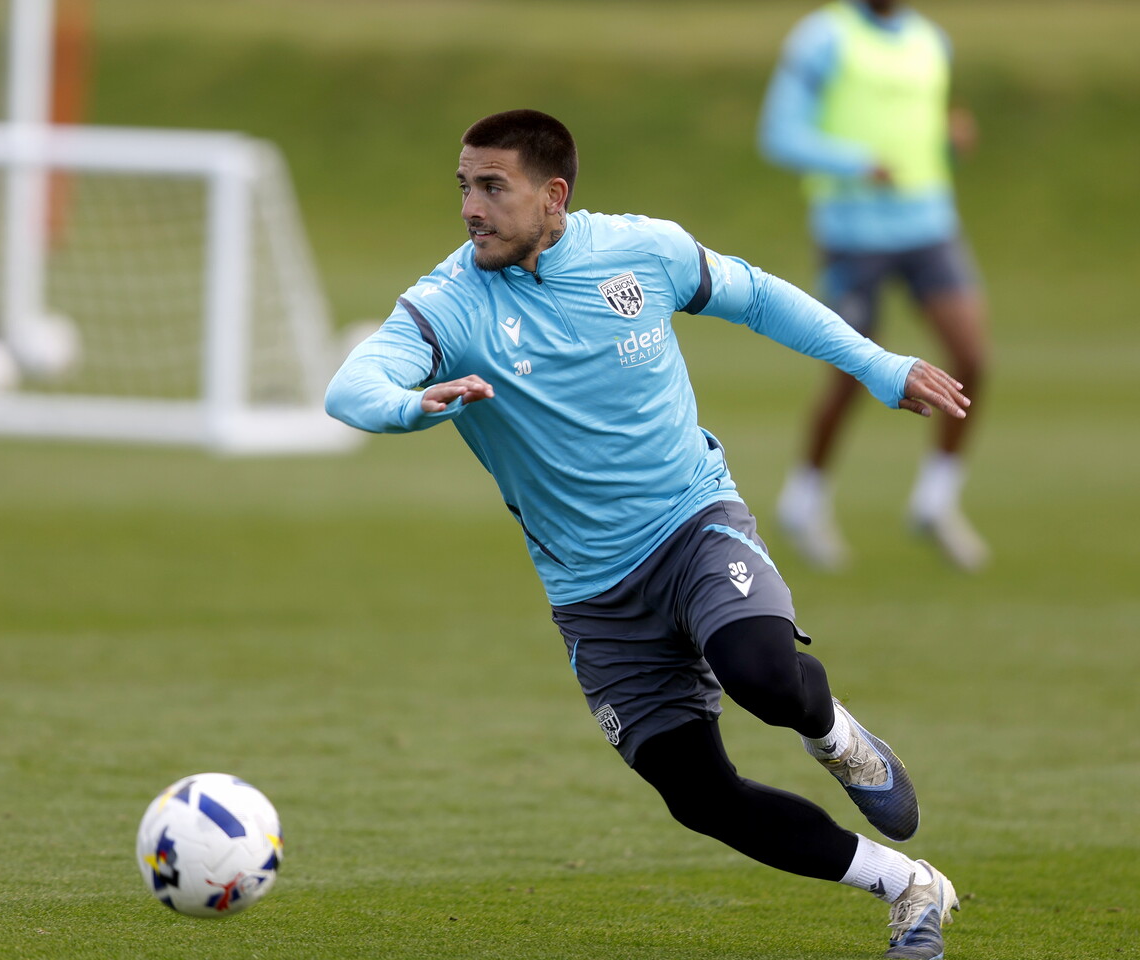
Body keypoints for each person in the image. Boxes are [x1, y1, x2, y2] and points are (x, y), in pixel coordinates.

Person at [326, 109, 963, 958]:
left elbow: (760, 297)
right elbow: (352, 385)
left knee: (764, 677)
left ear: (553, 196)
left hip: (693, 525)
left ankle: (839, 739)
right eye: (464, 188)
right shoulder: (449, 302)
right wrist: (410, 404)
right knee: (698, 795)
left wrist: (881, 367)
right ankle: (910, 887)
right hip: (591, 591)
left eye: (492, 187)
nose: (472, 209)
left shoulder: (642, 251)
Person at [759, 0, 990, 572]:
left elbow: (915, 136)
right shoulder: (822, 36)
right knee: (852, 367)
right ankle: (804, 500)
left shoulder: (930, 40)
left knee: (972, 357)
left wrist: (947, 142)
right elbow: (779, 134)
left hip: (930, 226)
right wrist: (857, 162)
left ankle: (936, 502)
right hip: (853, 232)